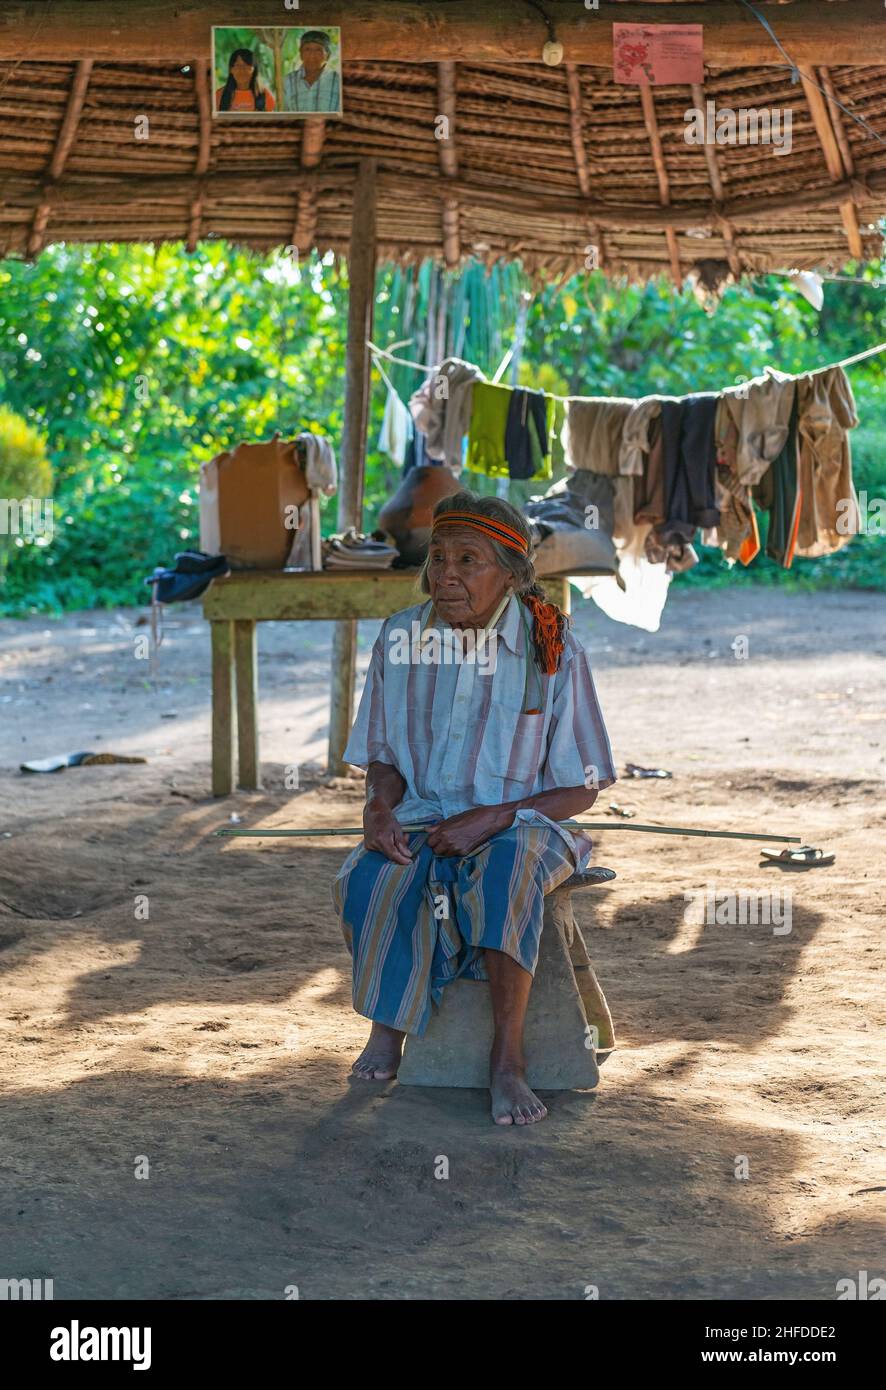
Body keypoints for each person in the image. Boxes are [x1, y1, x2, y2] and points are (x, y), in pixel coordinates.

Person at [332, 492, 617, 1125]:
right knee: (371, 875)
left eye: (470, 560)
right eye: (438, 559)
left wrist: (493, 817)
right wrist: (378, 808)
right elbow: (383, 757)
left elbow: (583, 785)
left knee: (504, 874)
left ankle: (507, 1061)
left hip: (529, 823)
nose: (448, 575)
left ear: (512, 575)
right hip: (425, 814)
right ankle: (388, 1028)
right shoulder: (402, 637)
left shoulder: (551, 646)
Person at [284, 30, 341, 113]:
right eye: (307, 49)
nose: (312, 55)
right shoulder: (287, 81)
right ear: (300, 54)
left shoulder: (338, 82)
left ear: (327, 55)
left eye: (318, 50)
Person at [215, 48, 276, 112]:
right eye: (238, 65)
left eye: (247, 65)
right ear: (231, 69)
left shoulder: (265, 95)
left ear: (254, 69)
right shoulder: (219, 95)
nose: (242, 70)